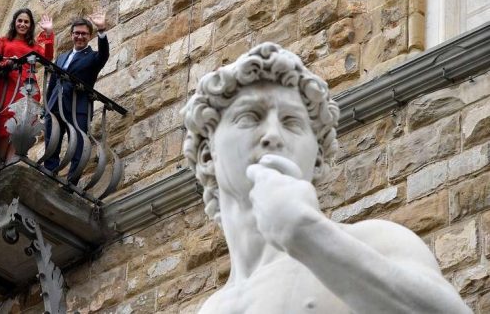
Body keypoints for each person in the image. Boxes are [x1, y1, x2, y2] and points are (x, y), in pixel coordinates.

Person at [182, 42, 470, 314]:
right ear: (208, 156)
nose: (272, 135)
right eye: (250, 117)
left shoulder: (377, 243)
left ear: (318, 159)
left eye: (291, 122)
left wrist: (310, 236)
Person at [43, 9, 109, 182]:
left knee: (78, 143)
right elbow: (53, 82)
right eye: (77, 33)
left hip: (77, 106)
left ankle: (71, 181)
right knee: (52, 140)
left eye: (84, 34)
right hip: (55, 104)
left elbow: (104, 55)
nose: (80, 37)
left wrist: (101, 30)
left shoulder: (93, 57)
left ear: (90, 36)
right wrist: (47, 106)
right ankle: (49, 174)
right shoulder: (62, 57)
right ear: (72, 35)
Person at [0, 8, 54, 160]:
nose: (22, 24)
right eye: (20, 21)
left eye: (26, 22)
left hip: (28, 87)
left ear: (31, 25)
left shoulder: (33, 46)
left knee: (22, 126)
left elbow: (47, 58)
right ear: (14, 22)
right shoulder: (3, 41)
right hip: (8, 86)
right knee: (6, 122)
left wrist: (49, 33)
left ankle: (12, 162)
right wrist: (8, 61)